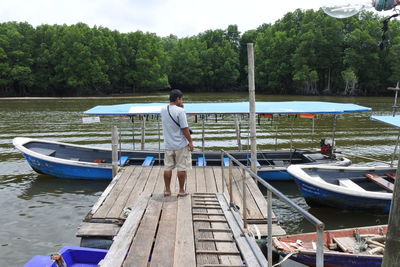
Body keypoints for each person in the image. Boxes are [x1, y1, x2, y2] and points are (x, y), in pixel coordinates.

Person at [160, 89, 194, 197]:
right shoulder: (180, 111)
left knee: (168, 167)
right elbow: (184, 128)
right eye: (181, 99)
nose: (182, 100)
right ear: (178, 99)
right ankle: (181, 190)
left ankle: (167, 190)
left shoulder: (163, 109)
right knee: (181, 167)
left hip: (168, 144)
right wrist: (190, 142)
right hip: (180, 144)